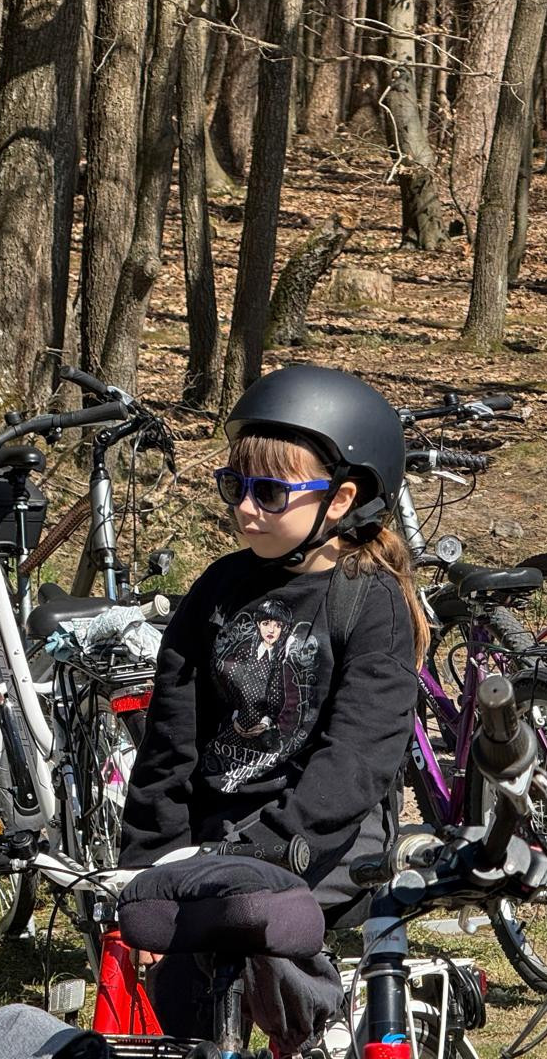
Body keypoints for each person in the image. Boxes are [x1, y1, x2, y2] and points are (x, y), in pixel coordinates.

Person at [120, 365, 424, 1053]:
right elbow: (171, 740)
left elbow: (358, 758)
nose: (246, 509)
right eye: (236, 487)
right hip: (214, 842)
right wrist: (149, 862)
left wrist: (272, 843)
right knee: (185, 1005)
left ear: (342, 498)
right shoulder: (218, 590)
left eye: (270, 492)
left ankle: (319, 1032)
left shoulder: (367, 603)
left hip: (318, 842)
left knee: (260, 935)